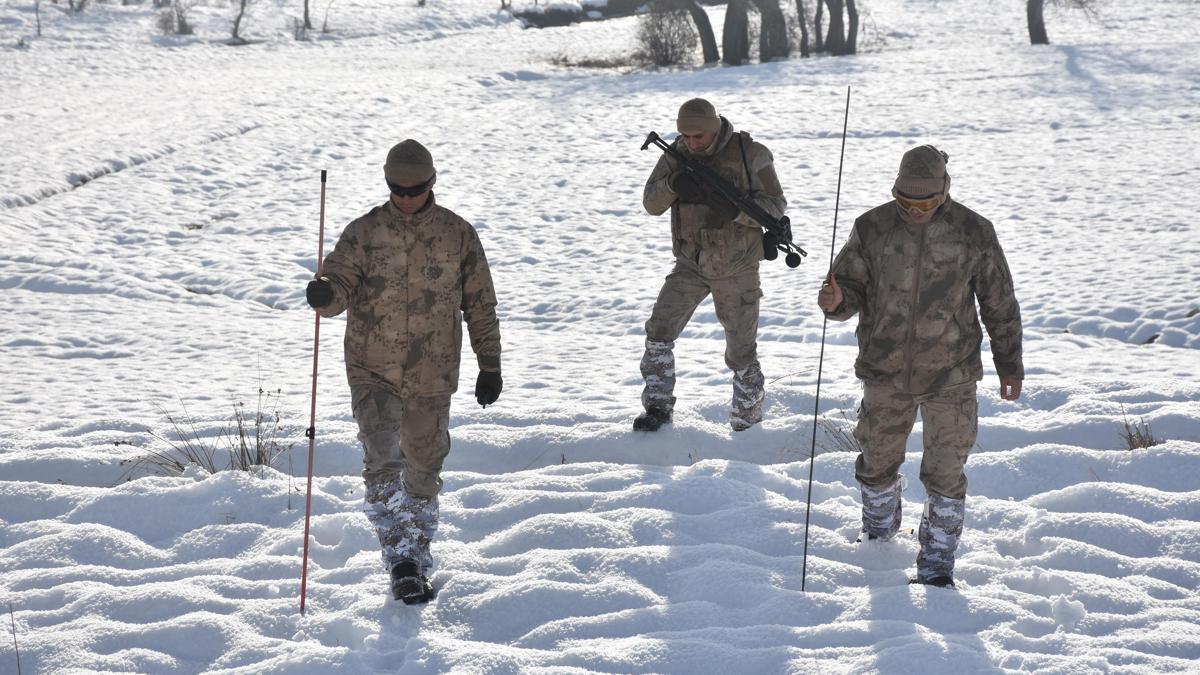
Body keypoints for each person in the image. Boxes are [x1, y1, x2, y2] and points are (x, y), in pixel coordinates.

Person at [305, 139, 502, 604]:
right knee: (382, 459)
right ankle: (402, 561)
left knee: (424, 467)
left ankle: (418, 548)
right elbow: (339, 286)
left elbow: (481, 304)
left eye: (416, 189)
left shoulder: (458, 234)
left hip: (433, 373)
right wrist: (325, 295)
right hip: (372, 368)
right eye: (398, 189)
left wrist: (489, 363)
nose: (407, 197)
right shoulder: (364, 233)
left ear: (432, 183)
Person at [817, 144, 1023, 588]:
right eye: (906, 202)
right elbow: (848, 287)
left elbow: (999, 303)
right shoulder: (871, 228)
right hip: (885, 370)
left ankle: (936, 569)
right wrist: (836, 301)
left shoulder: (973, 232)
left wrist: (1010, 364)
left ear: (944, 192)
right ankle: (878, 541)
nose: (915, 211)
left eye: (926, 203)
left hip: (952, 374)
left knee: (946, 473)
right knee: (876, 462)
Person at [636, 98, 787, 433]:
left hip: (738, 265)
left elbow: (775, 206)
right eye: (686, 136)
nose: (692, 143)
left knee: (741, 351)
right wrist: (673, 185)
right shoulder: (675, 155)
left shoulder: (751, 154)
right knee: (659, 331)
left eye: (699, 136)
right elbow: (650, 203)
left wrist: (734, 209)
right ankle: (657, 410)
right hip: (690, 262)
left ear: (716, 126)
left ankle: (747, 424)